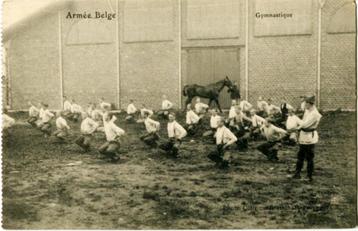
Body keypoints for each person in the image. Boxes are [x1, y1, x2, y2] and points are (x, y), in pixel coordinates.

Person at [291, 96, 322, 182]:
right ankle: (297, 173)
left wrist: (295, 127)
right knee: (300, 155)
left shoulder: (315, 114)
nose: (304, 105)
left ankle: (309, 176)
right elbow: (303, 122)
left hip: (309, 137)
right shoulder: (307, 111)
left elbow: (305, 124)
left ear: (309, 104)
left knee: (309, 157)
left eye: (305, 103)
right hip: (303, 135)